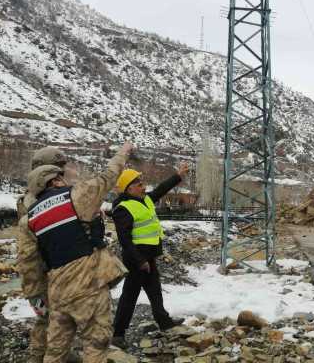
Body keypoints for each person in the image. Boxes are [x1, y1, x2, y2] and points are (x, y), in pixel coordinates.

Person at [20, 142, 132, 363]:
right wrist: (123, 152)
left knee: (55, 351)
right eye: (60, 174)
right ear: (53, 179)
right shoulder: (76, 196)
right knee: (96, 343)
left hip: (56, 290)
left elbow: (28, 263)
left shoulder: (28, 218)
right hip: (87, 284)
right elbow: (108, 175)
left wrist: (36, 298)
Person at [111, 163, 189, 349]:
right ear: (129, 188)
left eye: (142, 183)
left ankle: (165, 323)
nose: (143, 186)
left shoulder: (144, 199)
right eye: (139, 184)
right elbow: (125, 240)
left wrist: (177, 176)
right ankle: (118, 334)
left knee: (155, 292)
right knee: (130, 296)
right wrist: (140, 261)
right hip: (136, 259)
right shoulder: (123, 208)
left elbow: (160, 190)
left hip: (149, 256)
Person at [16, 146, 69, 363]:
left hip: (48, 271)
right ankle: (39, 357)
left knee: (52, 318)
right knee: (48, 319)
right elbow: (31, 252)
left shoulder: (36, 197)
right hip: (43, 273)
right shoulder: (34, 202)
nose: (62, 175)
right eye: (59, 169)